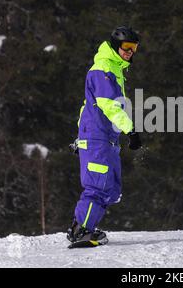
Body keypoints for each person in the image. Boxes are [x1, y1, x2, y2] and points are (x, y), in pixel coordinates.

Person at [67, 26, 143, 246]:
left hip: (103, 138)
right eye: (126, 47)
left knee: (111, 188)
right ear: (115, 45)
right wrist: (130, 129)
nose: (130, 52)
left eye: (134, 48)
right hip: (98, 138)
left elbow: (86, 106)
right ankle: (82, 230)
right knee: (98, 186)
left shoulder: (114, 69)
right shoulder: (103, 69)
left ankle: (83, 227)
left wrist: (79, 137)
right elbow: (109, 106)